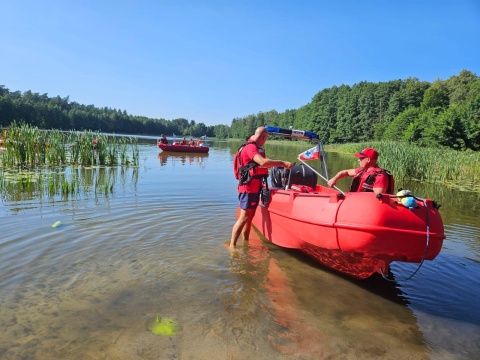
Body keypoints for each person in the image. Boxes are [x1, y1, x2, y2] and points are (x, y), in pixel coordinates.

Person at [230, 126, 293, 250]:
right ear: (264, 137)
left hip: (254, 188)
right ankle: (232, 246)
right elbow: (262, 162)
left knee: (249, 218)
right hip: (248, 188)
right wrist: (282, 163)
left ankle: (245, 243)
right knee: (244, 218)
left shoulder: (254, 147)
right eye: (266, 139)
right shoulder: (250, 148)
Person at [327, 147, 394, 195]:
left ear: (368, 159)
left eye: (361, 158)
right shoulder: (362, 170)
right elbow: (345, 172)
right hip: (356, 201)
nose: (358, 160)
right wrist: (334, 178)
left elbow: (378, 198)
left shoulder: (380, 176)